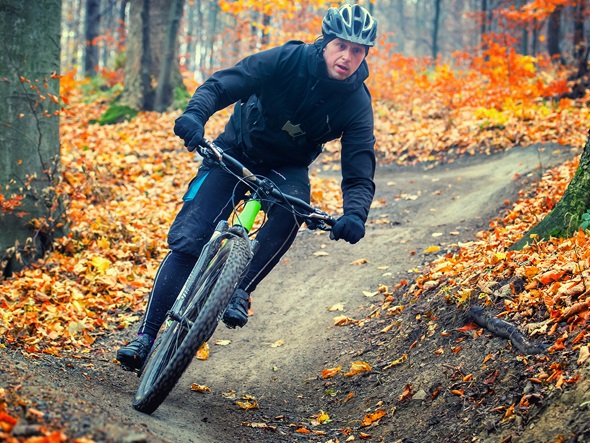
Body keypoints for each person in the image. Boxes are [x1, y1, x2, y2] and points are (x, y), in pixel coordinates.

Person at [116, 4, 378, 372]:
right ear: (324, 43)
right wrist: (195, 114)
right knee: (190, 241)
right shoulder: (288, 59)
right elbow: (227, 82)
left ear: (365, 54)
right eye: (341, 46)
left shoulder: (356, 103)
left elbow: (359, 164)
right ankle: (145, 336)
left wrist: (355, 213)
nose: (347, 57)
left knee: (294, 209)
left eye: (357, 50)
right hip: (235, 151)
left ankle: (240, 288)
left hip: (286, 168)